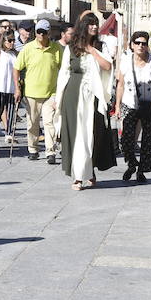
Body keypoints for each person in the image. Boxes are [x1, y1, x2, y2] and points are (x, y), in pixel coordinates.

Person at [55, 11, 116, 190]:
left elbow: (108, 66)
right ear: (84, 26)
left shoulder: (100, 46)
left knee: (93, 134)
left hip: (94, 96)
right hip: (73, 95)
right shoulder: (71, 48)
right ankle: (78, 176)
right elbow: (63, 73)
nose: (95, 26)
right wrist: (58, 98)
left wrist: (91, 50)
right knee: (77, 135)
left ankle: (90, 170)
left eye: (96, 23)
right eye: (91, 23)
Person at [115, 29, 151, 184]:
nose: (141, 46)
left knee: (148, 140)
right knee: (126, 139)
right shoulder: (126, 60)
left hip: (149, 105)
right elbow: (120, 84)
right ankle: (132, 163)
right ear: (132, 45)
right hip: (129, 103)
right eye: (137, 43)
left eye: (144, 43)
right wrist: (118, 105)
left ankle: (141, 171)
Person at [16, 19, 63, 161]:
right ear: (35, 33)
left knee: (49, 122)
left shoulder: (56, 48)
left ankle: (50, 151)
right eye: (39, 32)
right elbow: (17, 68)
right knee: (32, 123)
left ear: (49, 33)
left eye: (44, 32)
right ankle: (33, 148)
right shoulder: (28, 48)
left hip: (51, 92)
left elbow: (63, 69)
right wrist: (17, 88)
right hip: (31, 93)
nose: (41, 35)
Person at [0, 20, 20, 146]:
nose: (11, 43)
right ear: (4, 41)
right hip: (0, 86)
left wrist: (18, 86)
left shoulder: (14, 54)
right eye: (9, 41)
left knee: (11, 110)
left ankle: (9, 133)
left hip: (11, 87)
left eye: (13, 41)